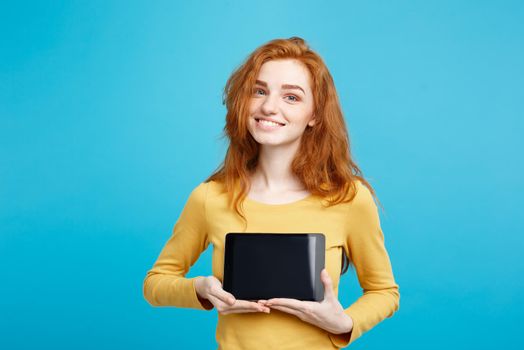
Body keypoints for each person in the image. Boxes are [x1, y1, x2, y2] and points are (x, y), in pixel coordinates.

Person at [143, 36, 400, 349]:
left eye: (291, 97)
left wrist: (344, 322)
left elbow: (384, 292)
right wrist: (202, 288)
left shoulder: (348, 198)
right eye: (259, 91)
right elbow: (155, 284)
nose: (268, 106)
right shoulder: (209, 197)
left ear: (315, 115)